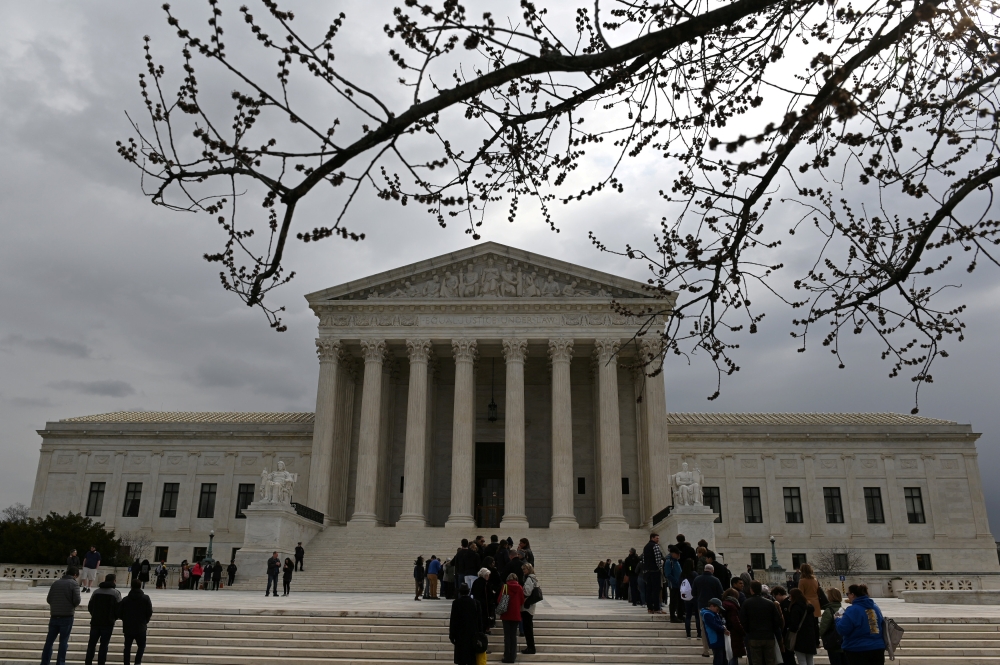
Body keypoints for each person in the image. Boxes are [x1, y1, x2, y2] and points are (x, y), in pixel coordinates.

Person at [835, 584, 885, 665]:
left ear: (853, 595)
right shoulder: (875, 607)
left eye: (848, 594)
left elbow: (843, 629)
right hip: (877, 647)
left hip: (857, 648)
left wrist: (837, 619)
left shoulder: (852, 610)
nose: (848, 597)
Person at [41, 566, 81, 665]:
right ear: (75, 575)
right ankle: (60, 662)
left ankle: (45, 662)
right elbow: (76, 600)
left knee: (49, 642)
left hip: (54, 615)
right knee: (63, 642)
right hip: (67, 616)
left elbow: (49, 599)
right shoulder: (74, 584)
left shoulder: (56, 583)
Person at [740, 580, 783, 665]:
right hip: (768, 636)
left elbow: (743, 620)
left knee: (756, 661)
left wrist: (748, 631)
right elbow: (777, 620)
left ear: (751, 590)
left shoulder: (747, 603)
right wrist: (772, 630)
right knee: (770, 660)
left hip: (754, 636)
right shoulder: (770, 603)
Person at [85, 573, 121, 665]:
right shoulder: (116, 593)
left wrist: (94, 615)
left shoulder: (96, 591)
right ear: (114, 581)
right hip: (108, 623)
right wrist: (113, 618)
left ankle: (88, 662)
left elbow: (90, 606)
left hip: (95, 622)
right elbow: (119, 608)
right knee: (104, 645)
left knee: (91, 645)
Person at [119, 579, 153, 665]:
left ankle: (126, 663)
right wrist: (145, 621)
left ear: (131, 586)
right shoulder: (146, 598)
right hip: (141, 626)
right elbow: (149, 612)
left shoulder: (126, 599)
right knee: (141, 646)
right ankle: (137, 662)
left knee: (127, 647)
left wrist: (125, 619)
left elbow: (119, 612)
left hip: (128, 627)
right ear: (140, 586)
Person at [694, 563, 725, 657]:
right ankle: (715, 648)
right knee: (716, 625)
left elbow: (693, 593)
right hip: (714, 607)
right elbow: (721, 593)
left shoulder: (697, 579)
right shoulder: (715, 580)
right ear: (712, 570)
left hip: (702, 606)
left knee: (703, 628)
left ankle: (706, 650)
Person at [449, 583, 483, 665]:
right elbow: (479, 620)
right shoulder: (475, 603)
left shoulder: (456, 603)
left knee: (461, 659)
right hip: (472, 634)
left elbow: (453, 620)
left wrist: (452, 635)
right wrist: (480, 634)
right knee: (471, 659)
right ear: (468, 591)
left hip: (460, 635)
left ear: (460, 592)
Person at [787, 588, 819, 665]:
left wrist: (789, 629)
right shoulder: (809, 607)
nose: (789, 598)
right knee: (810, 660)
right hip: (810, 637)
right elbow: (815, 624)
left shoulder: (795, 607)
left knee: (802, 661)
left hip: (800, 637)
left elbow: (794, 624)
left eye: (790, 596)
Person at [499, 573, 525, 663]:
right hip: (516, 614)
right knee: (513, 636)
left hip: (506, 614)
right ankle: (513, 656)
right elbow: (522, 601)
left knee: (507, 636)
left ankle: (507, 656)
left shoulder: (505, 586)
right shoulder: (519, 587)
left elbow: (499, 599)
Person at [819, 587, 845, 665]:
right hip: (844, 644)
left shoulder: (828, 611)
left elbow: (822, 629)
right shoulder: (843, 609)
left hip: (833, 645)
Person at [701, 598, 731, 665]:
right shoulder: (707, 614)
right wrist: (723, 630)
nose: (719, 610)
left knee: (723, 659)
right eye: (717, 608)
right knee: (718, 659)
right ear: (711, 606)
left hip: (720, 639)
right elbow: (714, 625)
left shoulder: (715, 614)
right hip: (715, 639)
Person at [642, 533, 665, 614]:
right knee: (656, 590)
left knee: (649, 590)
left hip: (647, 571)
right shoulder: (655, 546)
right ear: (652, 538)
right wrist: (660, 568)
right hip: (655, 571)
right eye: (657, 538)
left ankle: (650, 608)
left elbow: (644, 560)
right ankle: (656, 608)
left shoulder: (645, 547)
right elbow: (658, 559)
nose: (658, 540)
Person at [722, 588, 746, 663]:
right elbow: (735, 620)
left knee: (729, 654)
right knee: (733, 655)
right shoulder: (732, 606)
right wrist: (742, 631)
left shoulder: (724, 603)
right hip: (734, 633)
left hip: (727, 631)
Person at [521, 562, 539, 655]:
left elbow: (527, 592)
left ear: (529, 569)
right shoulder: (533, 578)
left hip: (527, 606)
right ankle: (530, 647)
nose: (523, 571)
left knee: (527, 628)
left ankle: (530, 648)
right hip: (531, 606)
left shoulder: (529, 579)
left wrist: (521, 592)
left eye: (525, 569)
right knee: (528, 628)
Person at [665, 546, 683, 623]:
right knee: (673, 601)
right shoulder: (669, 562)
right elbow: (668, 574)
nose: (679, 555)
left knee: (679, 601)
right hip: (674, 585)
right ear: (672, 554)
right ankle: (672, 616)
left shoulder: (676, 561)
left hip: (679, 585)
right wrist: (676, 581)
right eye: (677, 553)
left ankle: (680, 615)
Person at [472, 567, 493, 633]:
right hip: (485, 604)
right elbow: (489, 594)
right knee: (484, 617)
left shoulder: (475, 581)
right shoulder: (485, 583)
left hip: (476, 602)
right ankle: (485, 629)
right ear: (485, 575)